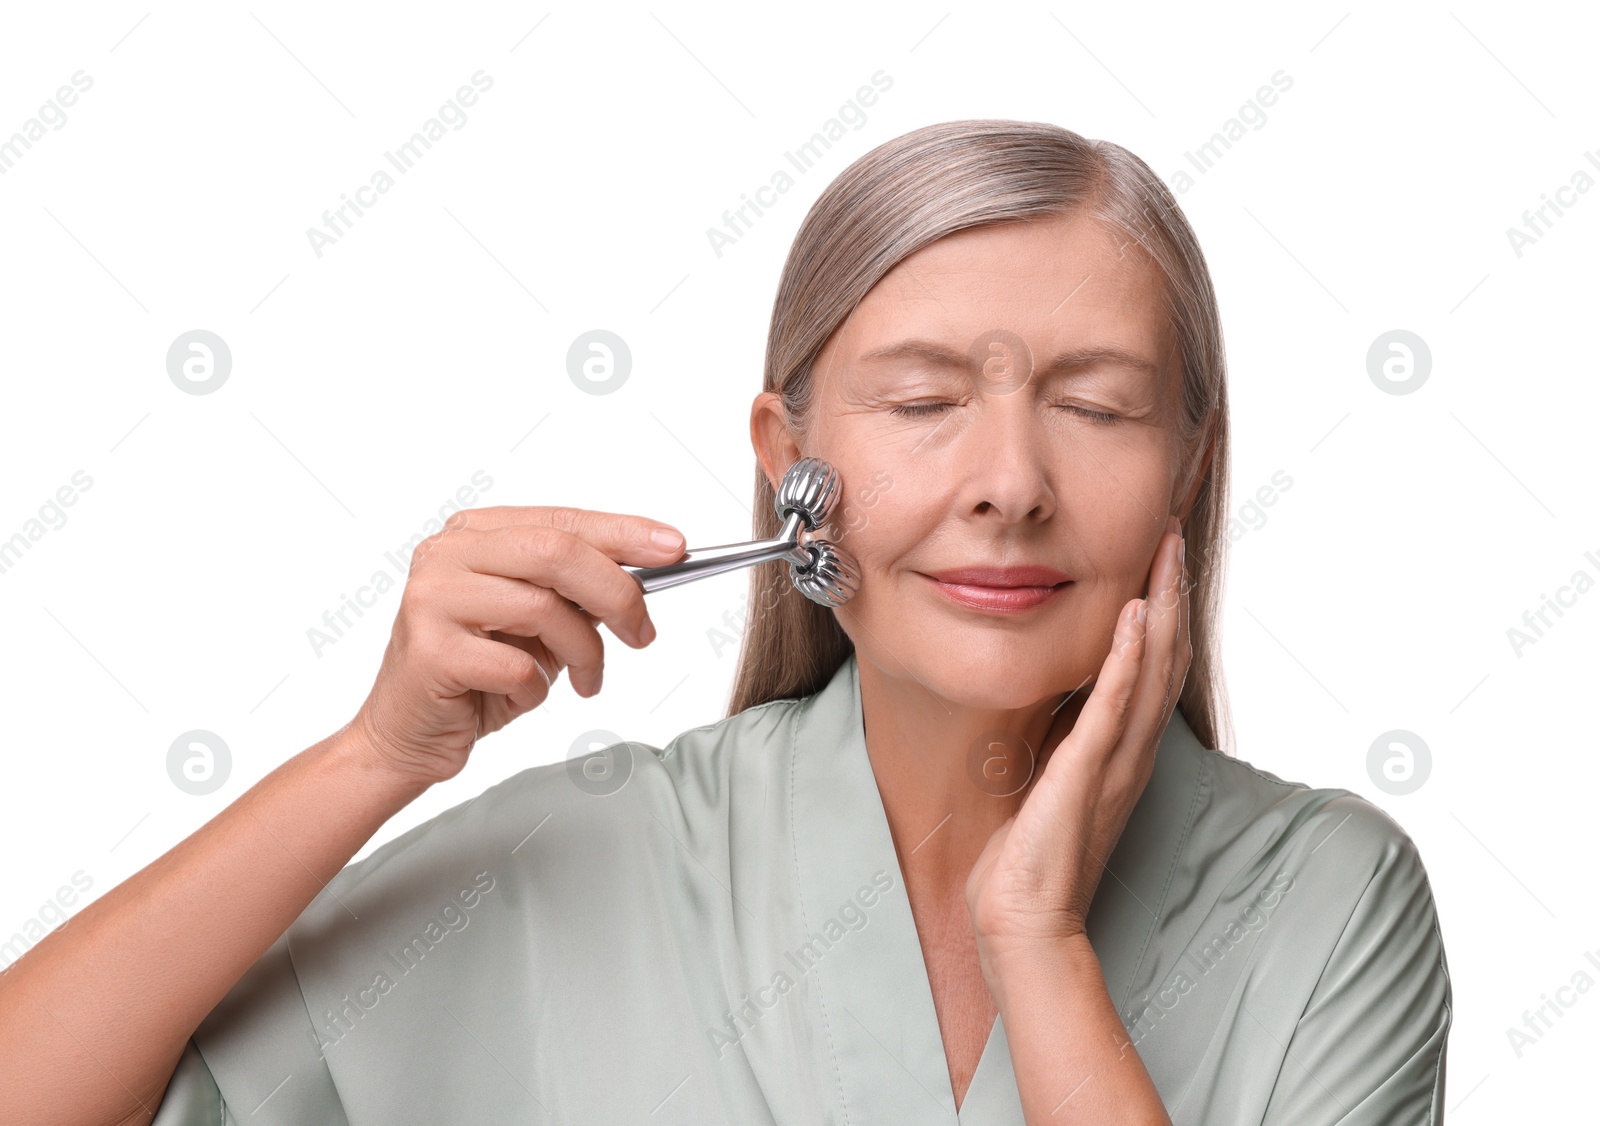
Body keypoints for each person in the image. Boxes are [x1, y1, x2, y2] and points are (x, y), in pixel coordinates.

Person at [0, 119, 1450, 1125]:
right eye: (926, 401)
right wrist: (378, 753)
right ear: (788, 464)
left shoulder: (1331, 905)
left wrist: (1039, 937)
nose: (1010, 484)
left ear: (1189, 467)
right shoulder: (589, 858)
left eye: (1096, 406)